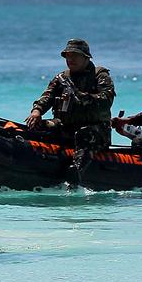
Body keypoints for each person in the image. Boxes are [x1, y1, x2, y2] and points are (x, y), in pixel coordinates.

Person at [25, 39, 115, 178]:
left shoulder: (100, 76)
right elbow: (47, 97)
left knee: (84, 134)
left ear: (86, 57)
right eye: (67, 56)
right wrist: (36, 111)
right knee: (38, 126)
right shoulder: (62, 78)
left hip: (96, 129)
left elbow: (105, 101)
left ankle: (76, 174)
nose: (70, 59)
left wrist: (80, 96)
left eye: (74, 55)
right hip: (66, 126)